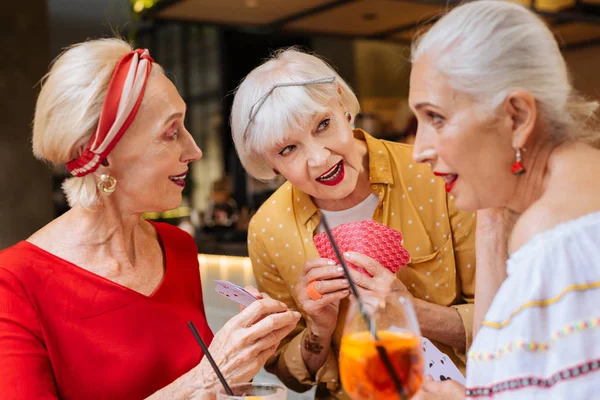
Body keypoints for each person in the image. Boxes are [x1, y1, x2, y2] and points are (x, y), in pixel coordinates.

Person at [0, 38, 301, 399]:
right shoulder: (14, 283)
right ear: (102, 154)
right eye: (171, 132)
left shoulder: (176, 247)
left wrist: (237, 365)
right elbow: (199, 381)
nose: (194, 150)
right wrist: (205, 379)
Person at [230, 48, 477, 399]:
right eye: (288, 150)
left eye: (323, 125)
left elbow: (505, 321)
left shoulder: (435, 175)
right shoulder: (268, 229)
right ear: (268, 164)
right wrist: (318, 327)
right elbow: (291, 377)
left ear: (343, 104)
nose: (318, 158)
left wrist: (406, 309)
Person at [408, 1, 600, 399]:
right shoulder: (561, 196)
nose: (418, 150)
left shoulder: (554, 241)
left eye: (436, 118)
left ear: (516, 117)